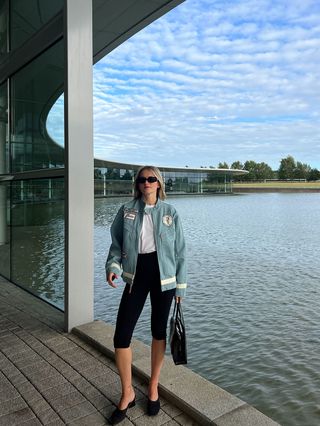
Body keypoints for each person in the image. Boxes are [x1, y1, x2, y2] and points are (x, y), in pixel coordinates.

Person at [105, 165, 187, 425]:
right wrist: (112, 267)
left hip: (165, 278)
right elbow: (116, 244)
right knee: (121, 336)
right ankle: (127, 391)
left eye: (152, 179)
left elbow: (180, 252)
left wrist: (180, 287)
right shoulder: (127, 211)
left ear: (159, 183)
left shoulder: (170, 213)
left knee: (158, 332)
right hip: (135, 276)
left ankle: (153, 386)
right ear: (137, 184)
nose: (147, 183)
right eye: (142, 180)